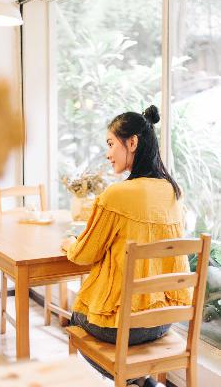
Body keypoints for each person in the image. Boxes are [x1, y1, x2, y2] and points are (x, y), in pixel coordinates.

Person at [62, 105, 191, 387]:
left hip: (123, 326)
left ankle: (134, 381)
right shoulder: (173, 191)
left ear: (132, 142)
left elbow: (85, 254)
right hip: (163, 321)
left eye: (110, 144)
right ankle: (142, 383)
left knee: (74, 318)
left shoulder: (118, 194)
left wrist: (71, 243)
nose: (108, 154)